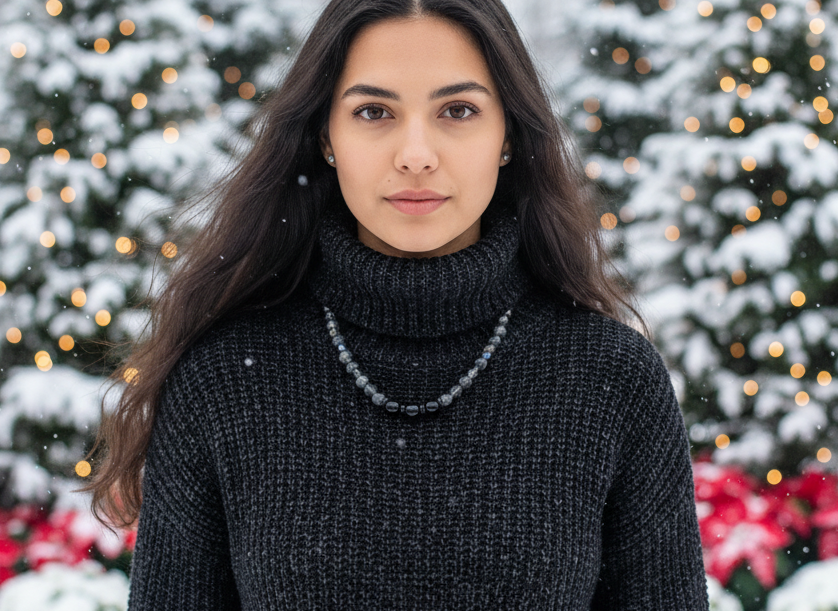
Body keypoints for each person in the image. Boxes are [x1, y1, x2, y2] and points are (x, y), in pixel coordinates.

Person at [79, 0, 710, 608]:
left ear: (509, 135)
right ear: (326, 135)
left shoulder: (611, 380)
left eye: (458, 110)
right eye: (374, 112)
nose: (415, 155)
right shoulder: (223, 380)